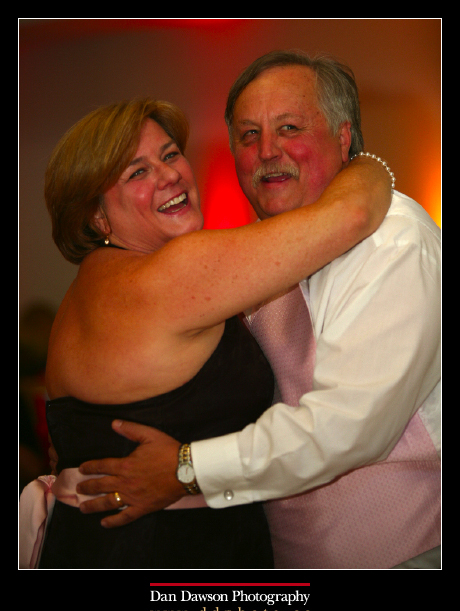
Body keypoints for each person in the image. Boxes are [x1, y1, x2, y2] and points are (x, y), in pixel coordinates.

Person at [75, 51, 441, 570]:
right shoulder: (246, 261)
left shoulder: (393, 243)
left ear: (343, 138)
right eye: (248, 136)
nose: (267, 151)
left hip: (400, 554)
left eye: (289, 127)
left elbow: (344, 428)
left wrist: (186, 467)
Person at [19, 95, 391, 569]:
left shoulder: (90, 289)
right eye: (136, 172)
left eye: (170, 154)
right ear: (96, 216)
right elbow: (354, 214)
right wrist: (362, 159)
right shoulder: (170, 275)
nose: (169, 174)